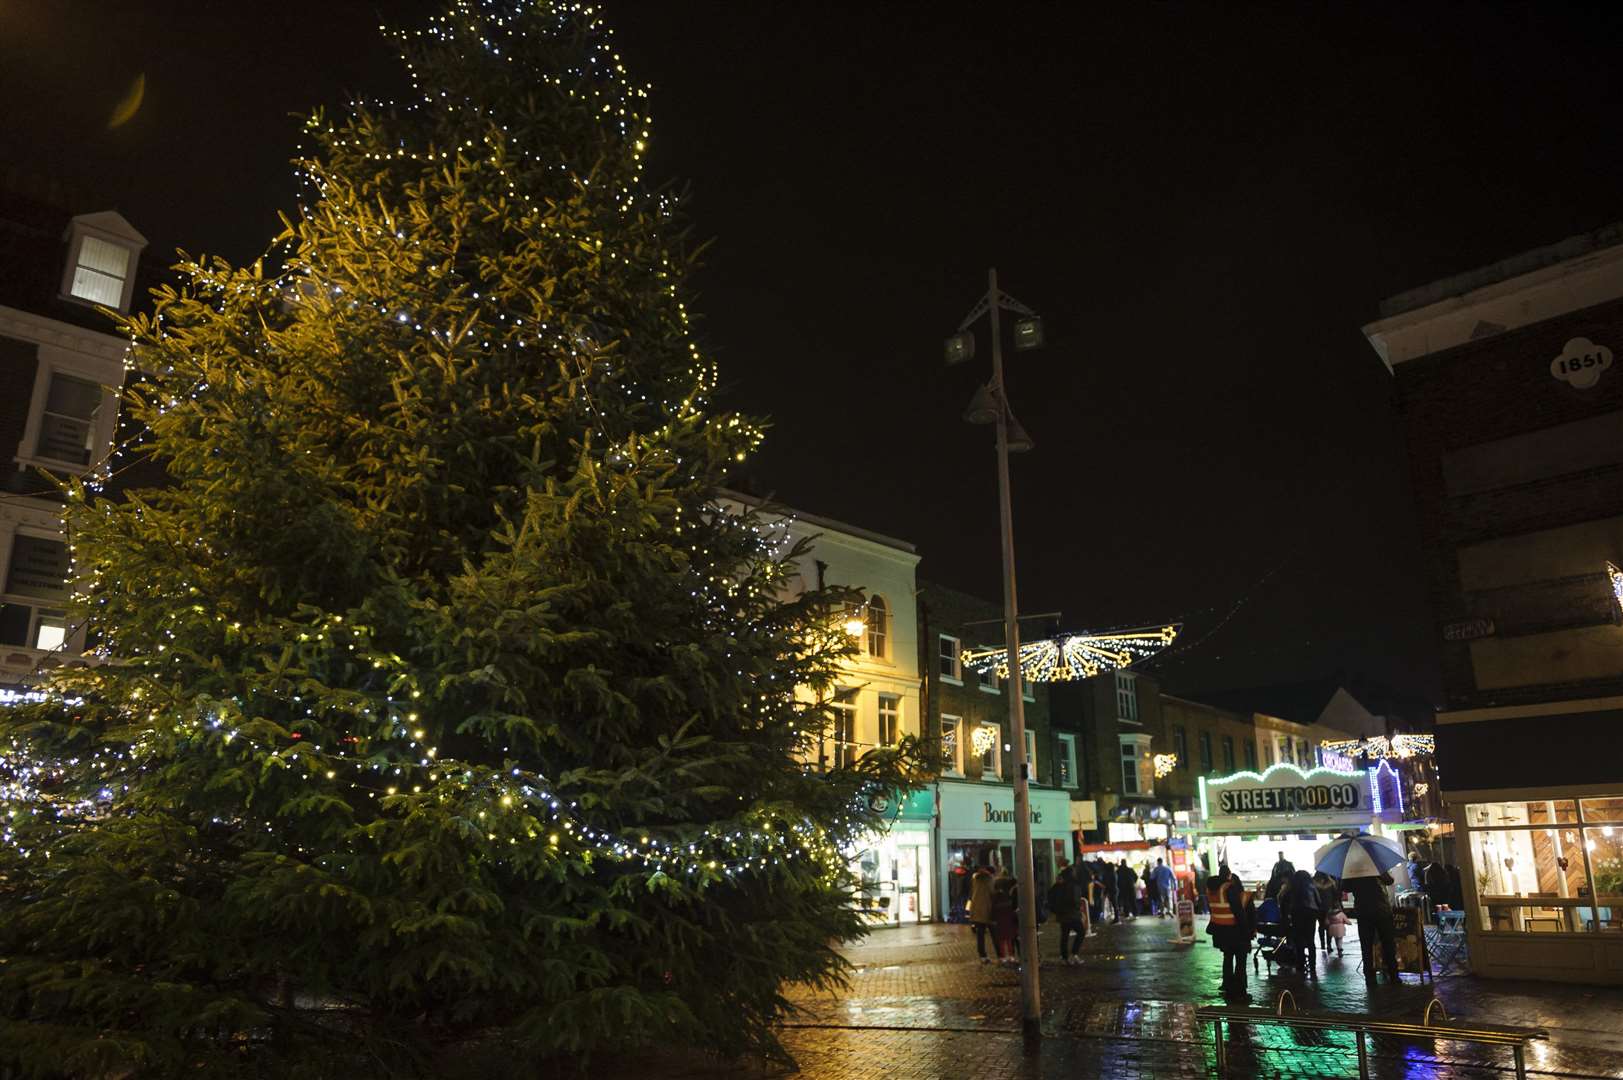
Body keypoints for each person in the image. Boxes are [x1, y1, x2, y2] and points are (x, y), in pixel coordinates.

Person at [1206, 863, 1253, 995]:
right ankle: (1240, 986)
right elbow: (1238, 911)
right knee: (1240, 958)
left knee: (1227, 957)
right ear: (1229, 875)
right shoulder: (1229, 888)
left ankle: (1227, 984)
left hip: (1220, 931)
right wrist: (1246, 931)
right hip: (1234, 930)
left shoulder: (1211, 889)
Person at [1347, 871, 1400, 986]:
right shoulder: (1376, 866)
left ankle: (1370, 978)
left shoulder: (1353, 870)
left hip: (1363, 912)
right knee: (1388, 943)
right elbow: (1389, 880)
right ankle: (1394, 975)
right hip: (1382, 911)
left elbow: (1345, 887)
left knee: (1366, 946)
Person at [1281, 868, 1321, 972]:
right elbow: (1319, 902)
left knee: (1299, 941)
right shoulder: (1312, 887)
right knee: (1310, 941)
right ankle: (1312, 965)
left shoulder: (1292, 888)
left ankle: (1300, 964)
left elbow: (1284, 903)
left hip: (1297, 915)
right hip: (1311, 915)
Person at [1048, 865, 1087, 965]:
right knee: (1081, 932)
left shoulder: (1059, 885)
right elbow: (1075, 900)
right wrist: (1079, 909)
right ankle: (1074, 954)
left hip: (1062, 915)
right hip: (1072, 914)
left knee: (1064, 936)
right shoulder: (1074, 885)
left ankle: (1064, 957)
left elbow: (1050, 895)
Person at [967, 860, 996, 964]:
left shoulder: (975, 879)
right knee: (995, 934)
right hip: (988, 911)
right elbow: (993, 893)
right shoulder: (990, 880)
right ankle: (1000, 955)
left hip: (977, 911)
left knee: (980, 935)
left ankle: (982, 955)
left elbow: (971, 895)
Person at [1313, 871, 1346, 957]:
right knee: (1329, 927)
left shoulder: (1314, 883)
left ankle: (1323, 944)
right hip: (1329, 908)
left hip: (1319, 908)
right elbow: (1336, 896)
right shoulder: (1331, 883)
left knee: (1321, 926)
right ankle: (1329, 945)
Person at [991, 870, 1020, 965]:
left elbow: (993, 908)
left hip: (1000, 918)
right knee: (1009, 938)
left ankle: (1003, 956)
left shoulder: (995, 896)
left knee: (1002, 939)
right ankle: (1011, 955)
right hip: (1008, 916)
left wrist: (993, 918)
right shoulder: (1009, 895)